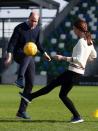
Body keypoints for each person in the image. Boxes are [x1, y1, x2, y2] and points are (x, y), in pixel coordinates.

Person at [20, 18, 97, 123]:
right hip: (77, 73)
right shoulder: (89, 41)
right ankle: (77, 117)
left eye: (74, 29)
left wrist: (63, 58)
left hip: (73, 72)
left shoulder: (81, 42)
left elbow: (79, 60)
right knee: (62, 95)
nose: (73, 31)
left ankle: (30, 97)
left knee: (52, 85)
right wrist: (85, 58)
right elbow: (94, 56)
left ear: (78, 29)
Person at [5, 11, 51, 119]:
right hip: (18, 54)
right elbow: (11, 43)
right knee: (28, 52)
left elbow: (38, 44)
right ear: (28, 18)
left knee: (30, 83)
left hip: (29, 56)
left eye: (36, 21)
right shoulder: (19, 28)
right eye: (32, 21)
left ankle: (21, 111)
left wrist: (44, 53)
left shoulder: (38, 29)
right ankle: (20, 78)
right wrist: (9, 56)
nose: (34, 23)